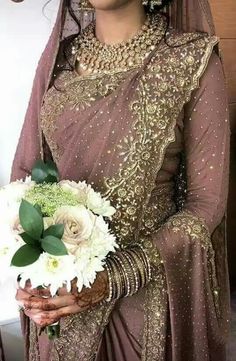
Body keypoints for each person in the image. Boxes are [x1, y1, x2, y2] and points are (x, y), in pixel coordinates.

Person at [11, 0, 230, 360]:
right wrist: (33, 269)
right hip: (61, 300)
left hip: (146, 302)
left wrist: (115, 276)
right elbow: (28, 174)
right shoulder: (59, 61)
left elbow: (206, 204)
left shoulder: (190, 59)